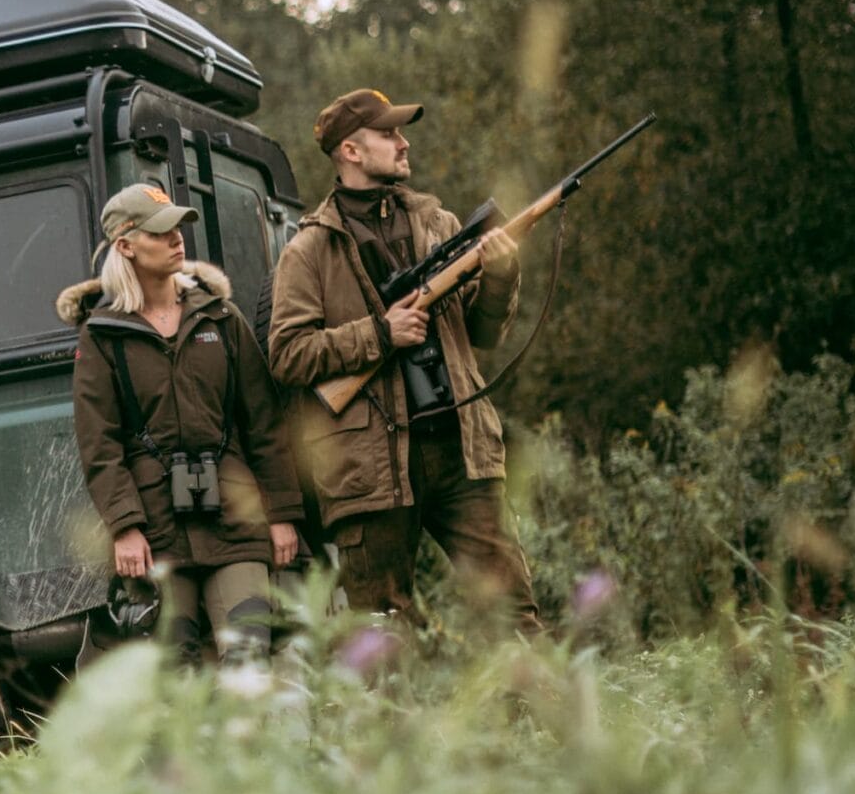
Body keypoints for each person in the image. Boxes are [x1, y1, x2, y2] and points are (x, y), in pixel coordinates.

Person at [266, 88, 537, 625]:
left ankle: (538, 711)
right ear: (351, 151)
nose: (403, 142)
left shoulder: (438, 224)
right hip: (370, 469)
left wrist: (503, 275)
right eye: (388, 134)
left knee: (513, 611)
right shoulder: (310, 251)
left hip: (461, 450)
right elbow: (287, 354)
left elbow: (483, 335)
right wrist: (380, 335)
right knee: (385, 632)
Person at [59, 182, 307, 660]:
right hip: (156, 533)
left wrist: (281, 514)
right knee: (178, 675)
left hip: (236, 520)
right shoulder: (103, 337)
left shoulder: (222, 318)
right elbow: (99, 445)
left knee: (249, 656)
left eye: (178, 228)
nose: (177, 239)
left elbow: (263, 424)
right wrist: (124, 527)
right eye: (161, 231)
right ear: (126, 246)